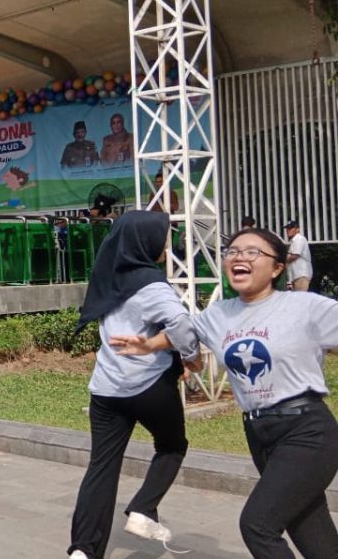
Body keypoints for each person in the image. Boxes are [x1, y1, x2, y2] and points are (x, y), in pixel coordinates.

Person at [113, 227, 338, 559]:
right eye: (232, 252)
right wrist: (148, 344)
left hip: (307, 429)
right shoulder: (220, 314)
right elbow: (182, 333)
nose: (239, 258)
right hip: (260, 433)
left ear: (277, 268)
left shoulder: (305, 306)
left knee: (258, 525)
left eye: (252, 252)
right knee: (309, 528)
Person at [65, 211, 197, 559]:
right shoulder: (151, 284)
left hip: (106, 388)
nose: (166, 245)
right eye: (164, 238)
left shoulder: (107, 275)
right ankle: (143, 510)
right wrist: (191, 357)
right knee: (172, 446)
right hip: (150, 385)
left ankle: (83, 550)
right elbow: (182, 326)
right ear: (145, 243)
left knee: (102, 467)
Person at [284, 219, 313, 291]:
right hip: (296, 275)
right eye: (287, 228)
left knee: (300, 300)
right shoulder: (293, 241)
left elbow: (295, 256)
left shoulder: (299, 239)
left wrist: (283, 262)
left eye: (290, 228)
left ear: (297, 229)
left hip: (301, 275)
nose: (288, 230)